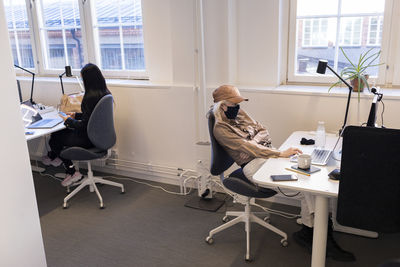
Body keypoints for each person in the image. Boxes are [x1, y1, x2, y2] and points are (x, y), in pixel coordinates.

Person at [211, 84, 355, 262]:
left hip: (267, 156)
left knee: (307, 180)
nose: (239, 107)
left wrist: (257, 142)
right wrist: (273, 151)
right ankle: (317, 235)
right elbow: (248, 148)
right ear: (222, 106)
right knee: (305, 186)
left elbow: (263, 130)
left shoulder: (239, 114)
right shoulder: (220, 128)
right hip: (254, 167)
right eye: (234, 104)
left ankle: (310, 231)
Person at [42, 63, 112, 187]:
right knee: (59, 134)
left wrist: (67, 120)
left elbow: (83, 126)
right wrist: (75, 115)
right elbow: (93, 117)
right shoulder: (104, 93)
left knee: (54, 139)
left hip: (89, 139)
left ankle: (72, 172)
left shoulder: (89, 97)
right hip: (101, 136)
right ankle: (55, 157)